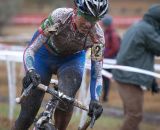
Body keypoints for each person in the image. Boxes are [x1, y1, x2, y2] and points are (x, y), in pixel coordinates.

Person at [11, 0, 109, 130]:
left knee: (67, 96)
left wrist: (95, 100)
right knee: (27, 115)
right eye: (86, 17)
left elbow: (96, 74)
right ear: (76, 10)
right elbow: (31, 49)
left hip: (71, 61)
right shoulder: (60, 17)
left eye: (95, 19)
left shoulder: (98, 38)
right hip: (44, 56)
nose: (88, 24)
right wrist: (30, 70)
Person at [112, 4, 160, 130]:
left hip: (126, 75)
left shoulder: (139, 25)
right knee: (135, 116)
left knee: (131, 115)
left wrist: (151, 80)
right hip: (128, 78)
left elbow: (141, 56)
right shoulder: (147, 30)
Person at [100, 14, 120, 102]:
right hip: (106, 59)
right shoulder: (106, 32)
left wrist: (106, 55)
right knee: (104, 78)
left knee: (107, 79)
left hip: (110, 60)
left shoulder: (112, 34)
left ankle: (105, 97)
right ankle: (104, 96)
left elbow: (115, 48)